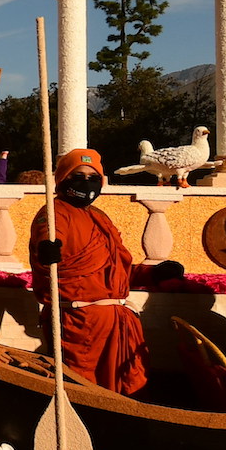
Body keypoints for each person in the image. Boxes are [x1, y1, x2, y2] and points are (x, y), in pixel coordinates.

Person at [30, 147, 148, 396]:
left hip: (117, 324)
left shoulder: (99, 217)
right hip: (79, 324)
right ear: (63, 178)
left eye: (93, 177)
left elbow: (114, 268)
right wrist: (46, 251)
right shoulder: (54, 213)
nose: (87, 182)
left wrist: (152, 274)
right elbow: (47, 250)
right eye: (78, 175)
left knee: (125, 393)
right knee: (84, 392)